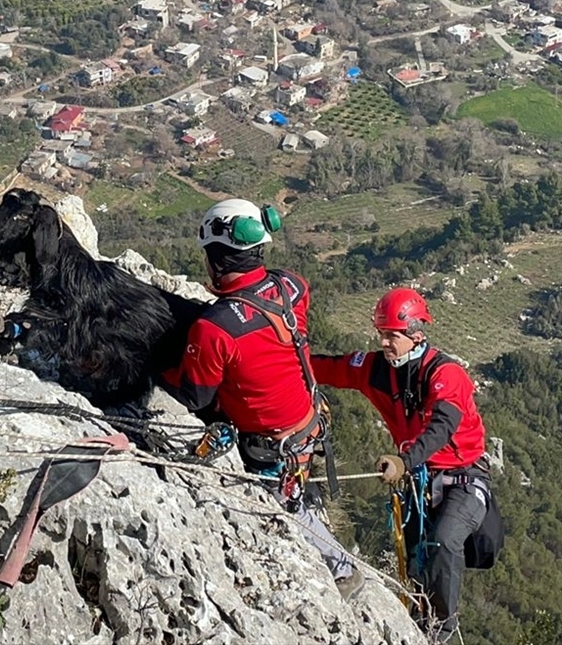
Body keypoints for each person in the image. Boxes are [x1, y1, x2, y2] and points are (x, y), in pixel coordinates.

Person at [159, 198, 364, 600]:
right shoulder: (292, 285)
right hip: (307, 421)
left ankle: (342, 569)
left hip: (270, 449)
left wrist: (157, 366)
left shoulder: (214, 329)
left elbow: (195, 397)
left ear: (217, 259)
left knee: (291, 509)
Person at [310, 287, 490, 641]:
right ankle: (419, 622)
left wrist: (405, 461)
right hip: (418, 483)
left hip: (464, 479)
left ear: (416, 335)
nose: (385, 343)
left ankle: (440, 631)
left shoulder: (446, 374)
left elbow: (442, 426)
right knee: (416, 565)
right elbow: (329, 368)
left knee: (442, 541)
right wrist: (283, 360)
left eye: (391, 335)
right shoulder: (378, 369)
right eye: (381, 335)